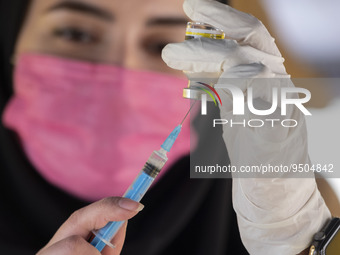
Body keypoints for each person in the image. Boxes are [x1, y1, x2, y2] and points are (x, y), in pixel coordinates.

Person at [0, 0, 331, 254]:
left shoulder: (291, 205)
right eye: (75, 33)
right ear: (10, 35)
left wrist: (295, 243)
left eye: (162, 47)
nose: (123, 87)